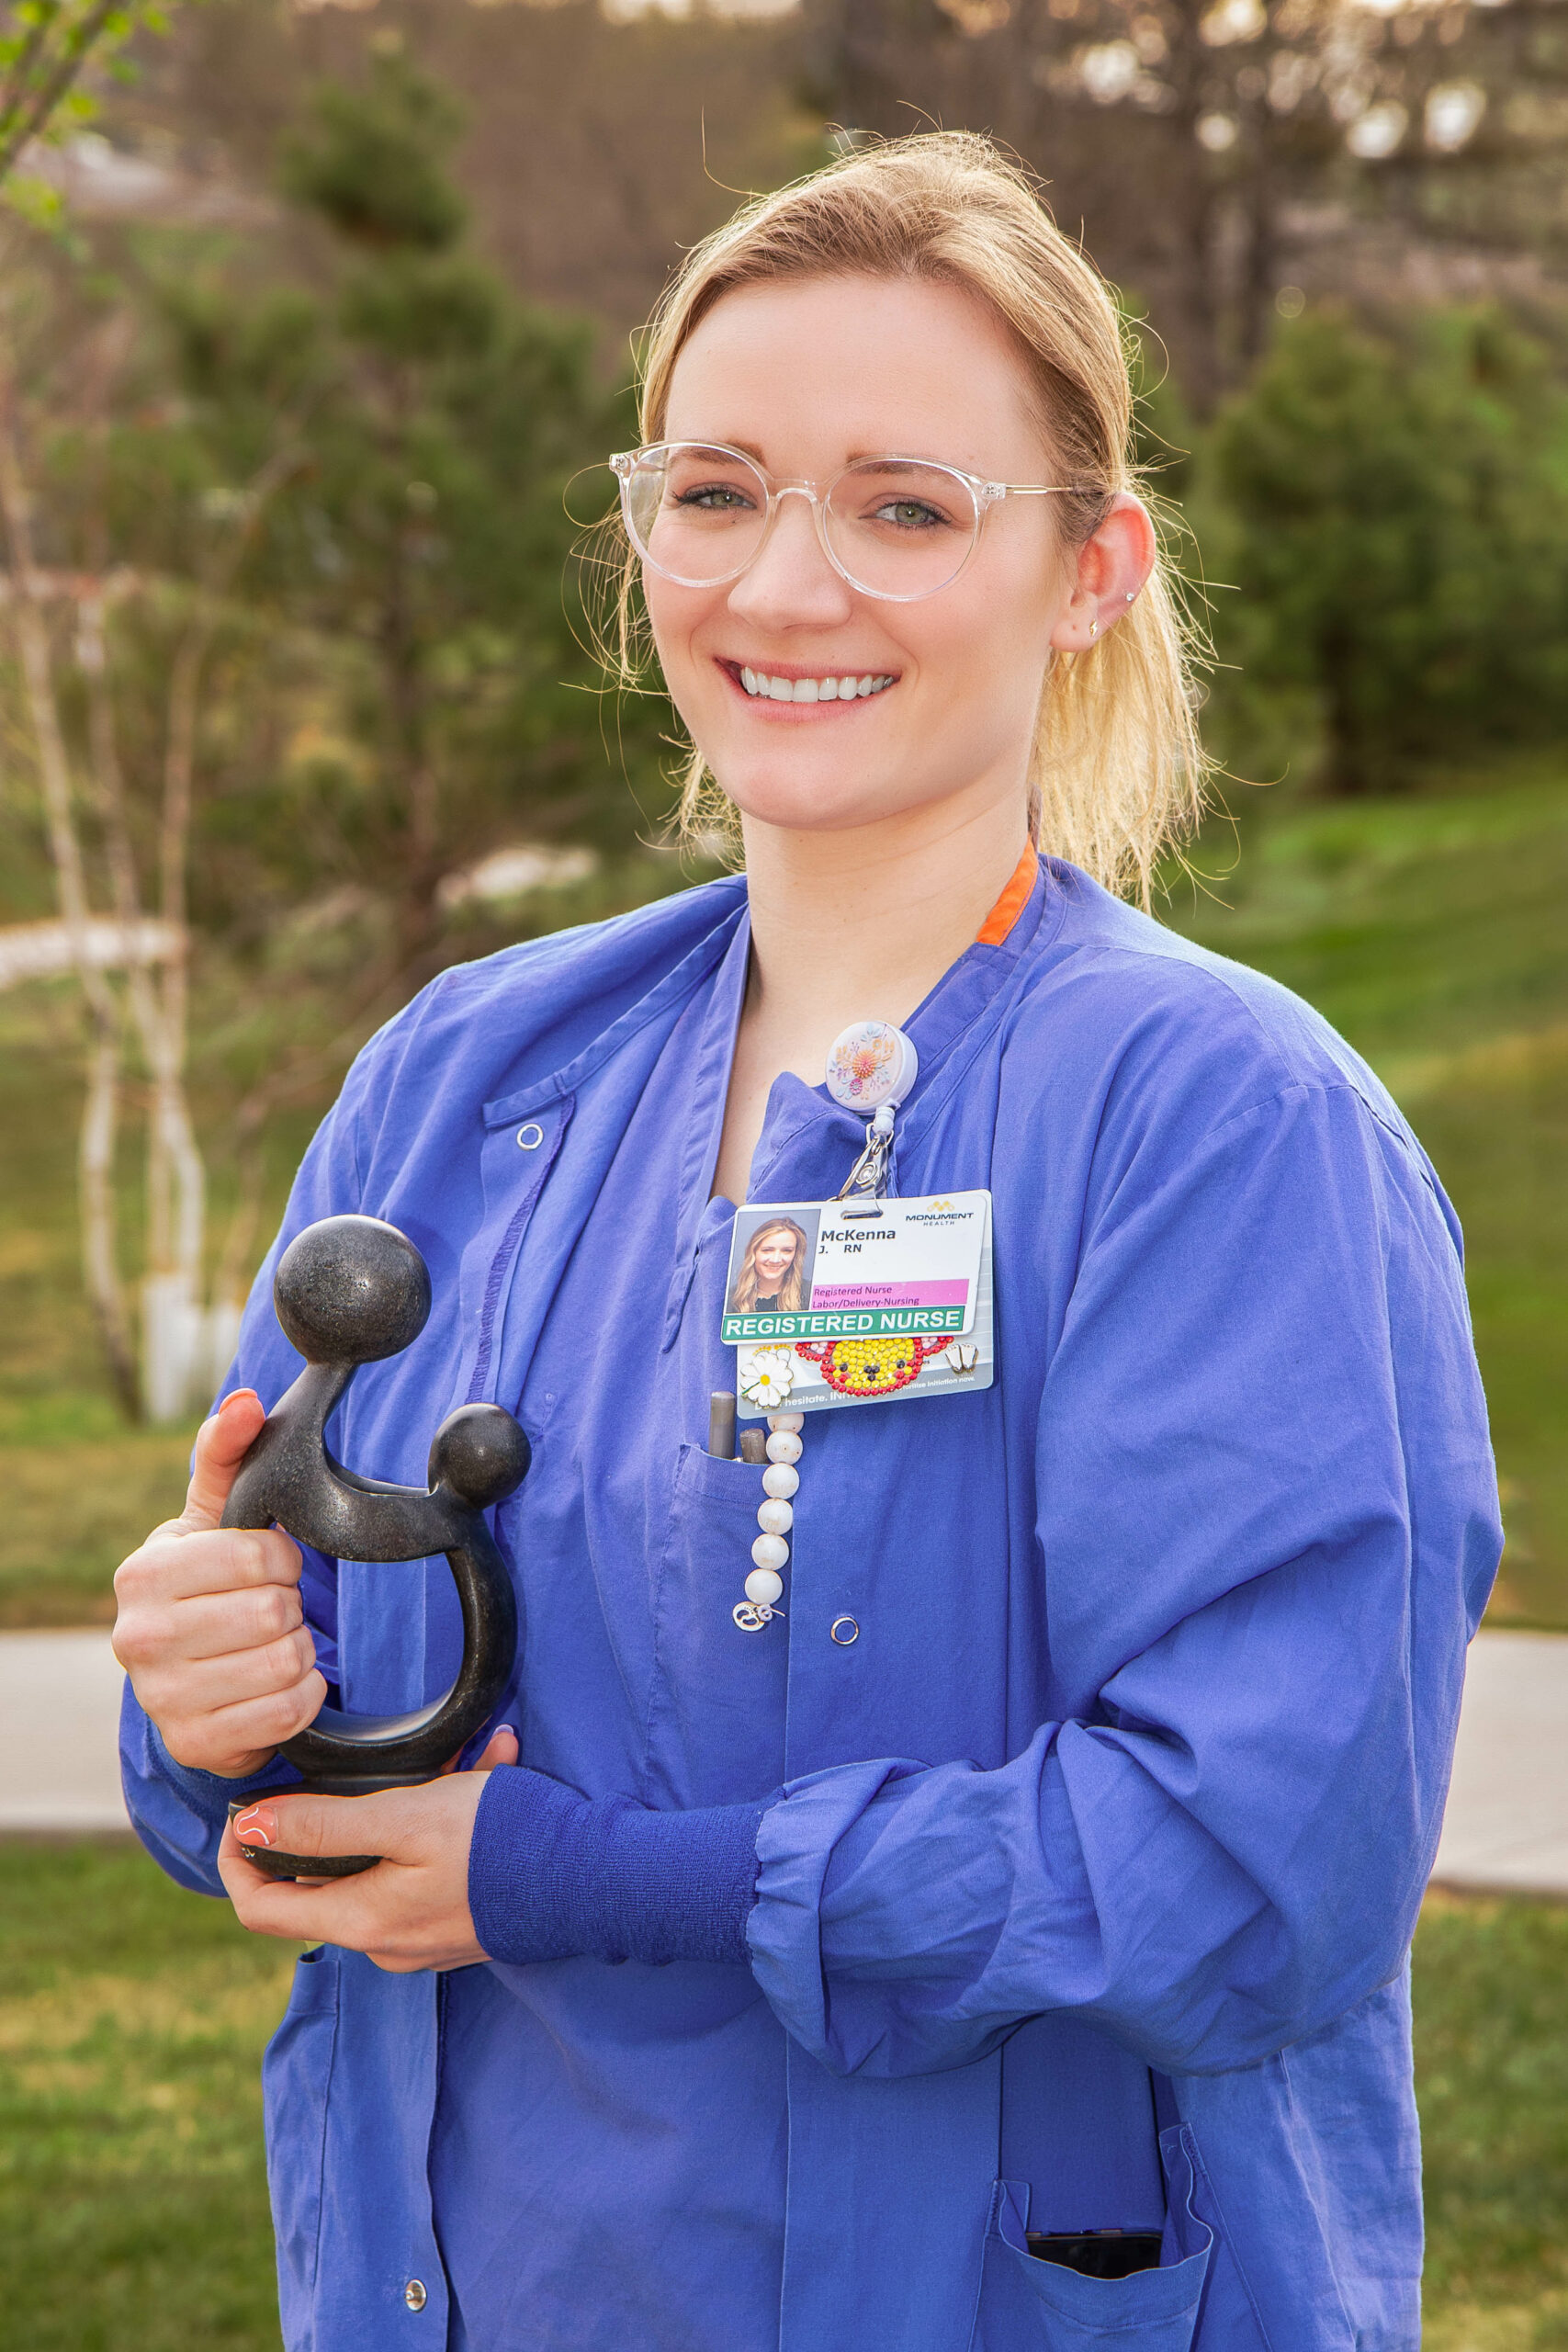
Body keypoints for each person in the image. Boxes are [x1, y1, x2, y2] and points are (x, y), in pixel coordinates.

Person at [112, 132, 1500, 2352]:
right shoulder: (462, 1080)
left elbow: (1257, 1865)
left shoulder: (1216, 1129)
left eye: (903, 504)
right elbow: (298, 1800)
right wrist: (207, 1701)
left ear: (1087, 569)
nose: (782, 584)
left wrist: (586, 1880)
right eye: (716, 486)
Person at [729, 1215, 812, 1315]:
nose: (776, 1260)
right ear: (753, 1252)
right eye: (767, 1250)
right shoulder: (732, 1297)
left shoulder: (810, 1293)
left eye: (787, 1251)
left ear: (796, 1254)